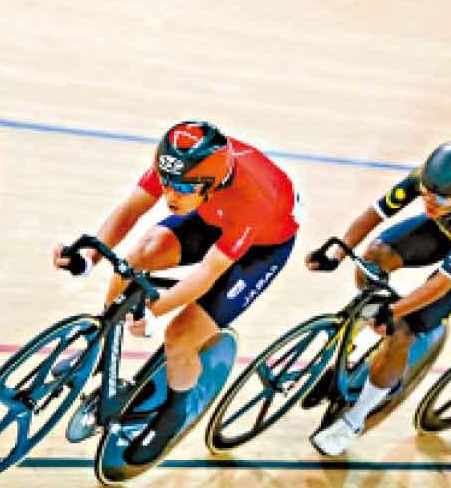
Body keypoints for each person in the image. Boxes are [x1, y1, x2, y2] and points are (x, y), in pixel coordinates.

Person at [54, 121, 298, 463]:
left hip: (260, 248)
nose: (170, 195)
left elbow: (208, 273)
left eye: (181, 188)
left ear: (211, 184)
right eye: (166, 183)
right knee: (138, 257)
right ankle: (100, 345)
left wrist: (155, 311)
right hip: (214, 217)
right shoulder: (182, 163)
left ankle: (173, 415)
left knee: (180, 336)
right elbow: (131, 209)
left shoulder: (253, 199)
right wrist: (90, 257)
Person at [307, 141, 451, 456]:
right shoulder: (426, 181)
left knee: (403, 329)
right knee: (373, 258)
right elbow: (374, 214)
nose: (429, 202)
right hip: (444, 230)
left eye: (439, 198)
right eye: (426, 193)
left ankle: (355, 419)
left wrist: (395, 311)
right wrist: (338, 252)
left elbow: (442, 283)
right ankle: (353, 352)